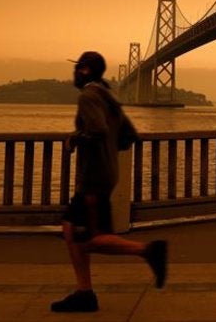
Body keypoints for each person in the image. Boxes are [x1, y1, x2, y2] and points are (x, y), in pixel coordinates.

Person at [51, 50, 168, 313]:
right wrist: (107, 151)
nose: (74, 72)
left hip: (93, 177)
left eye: (78, 67)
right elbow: (128, 136)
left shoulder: (89, 96)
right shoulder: (110, 99)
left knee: (90, 237)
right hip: (106, 172)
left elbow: (97, 130)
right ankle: (85, 292)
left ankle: (149, 250)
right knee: (71, 229)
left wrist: (74, 139)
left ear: (85, 71)